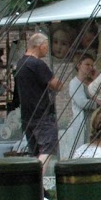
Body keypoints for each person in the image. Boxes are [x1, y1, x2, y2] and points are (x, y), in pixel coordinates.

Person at [14, 32, 62, 162]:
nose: (47, 49)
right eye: (46, 46)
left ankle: (34, 177)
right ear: (39, 45)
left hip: (27, 116)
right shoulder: (37, 64)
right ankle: (39, 174)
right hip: (42, 114)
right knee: (48, 149)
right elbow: (56, 85)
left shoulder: (20, 63)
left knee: (34, 152)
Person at [62, 53, 98, 153]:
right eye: (87, 65)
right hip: (82, 122)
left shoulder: (90, 83)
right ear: (79, 65)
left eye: (92, 65)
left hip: (92, 121)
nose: (90, 67)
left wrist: (95, 80)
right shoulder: (74, 83)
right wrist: (98, 103)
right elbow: (82, 102)